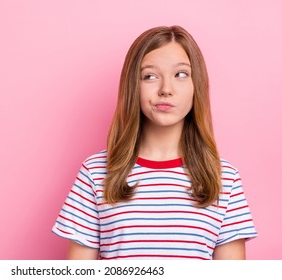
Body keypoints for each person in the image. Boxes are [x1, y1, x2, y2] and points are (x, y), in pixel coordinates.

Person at [52, 25, 258, 260]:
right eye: (150, 76)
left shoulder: (224, 177)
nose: (166, 90)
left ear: (196, 86)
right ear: (133, 87)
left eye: (180, 74)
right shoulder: (96, 171)